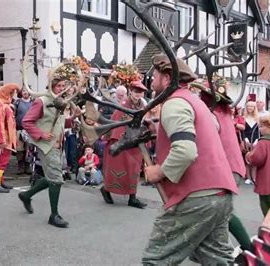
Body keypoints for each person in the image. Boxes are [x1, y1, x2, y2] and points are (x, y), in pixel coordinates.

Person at [141, 54, 238, 265]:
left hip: (196, 198)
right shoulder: (193, 100)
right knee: (217, 260)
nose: (152, 79)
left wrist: (158, 171)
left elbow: (185, 150)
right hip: (220, 194)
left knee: (156, 260)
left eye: (155, 74)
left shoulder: (174, 103)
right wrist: (159, 129)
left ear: (167, 78)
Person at [197, 78, 254, 254]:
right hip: (232, 168)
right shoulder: (224, 114)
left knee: (221, 213)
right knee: (218, 211)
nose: (200, 96)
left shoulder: (211, 116)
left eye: (204, 94)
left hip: (225, 171)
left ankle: (235, 251)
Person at [18, 77, 82, 228]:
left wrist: (73, 117)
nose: (61, 88)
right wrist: (41, 134)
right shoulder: (41, 101)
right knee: (56, 179)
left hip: (57, 145)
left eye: (63, 86)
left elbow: (61, 123)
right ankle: (54, 215)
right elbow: (26, 121)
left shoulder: (59, 101)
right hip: (47, 145)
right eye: (58, 85)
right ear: (51, 87)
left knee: (51, 177)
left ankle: (26, 195)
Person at [100, 80, 148, 209]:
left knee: (134, 170)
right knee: (117, 170)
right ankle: (106, 189)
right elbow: (116, 123)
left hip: (136, 142)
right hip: (121, 142)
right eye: (136, 91)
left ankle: (132, 197)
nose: (138, 94)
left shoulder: (142, 106)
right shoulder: (123, 105)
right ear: (130, 91)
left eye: (141, 92)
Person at [0, 83, 19, 193]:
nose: (12, 96)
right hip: (2, 138)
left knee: (2, 161)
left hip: (5, 138)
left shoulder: (0, 104)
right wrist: (1, 141)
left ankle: (0, 181)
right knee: (0, 161)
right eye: (11, 93)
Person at [14, 88, 33, 174]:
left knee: (29, 148)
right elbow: (13, 115)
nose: (25, 92)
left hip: (30, 129)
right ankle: (20, 166)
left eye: (27, 91)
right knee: (19, 149)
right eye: (23, 91)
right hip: (19, 129)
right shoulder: (17, 103)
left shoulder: (33, 103)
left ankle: (28, 165)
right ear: (21, 93)